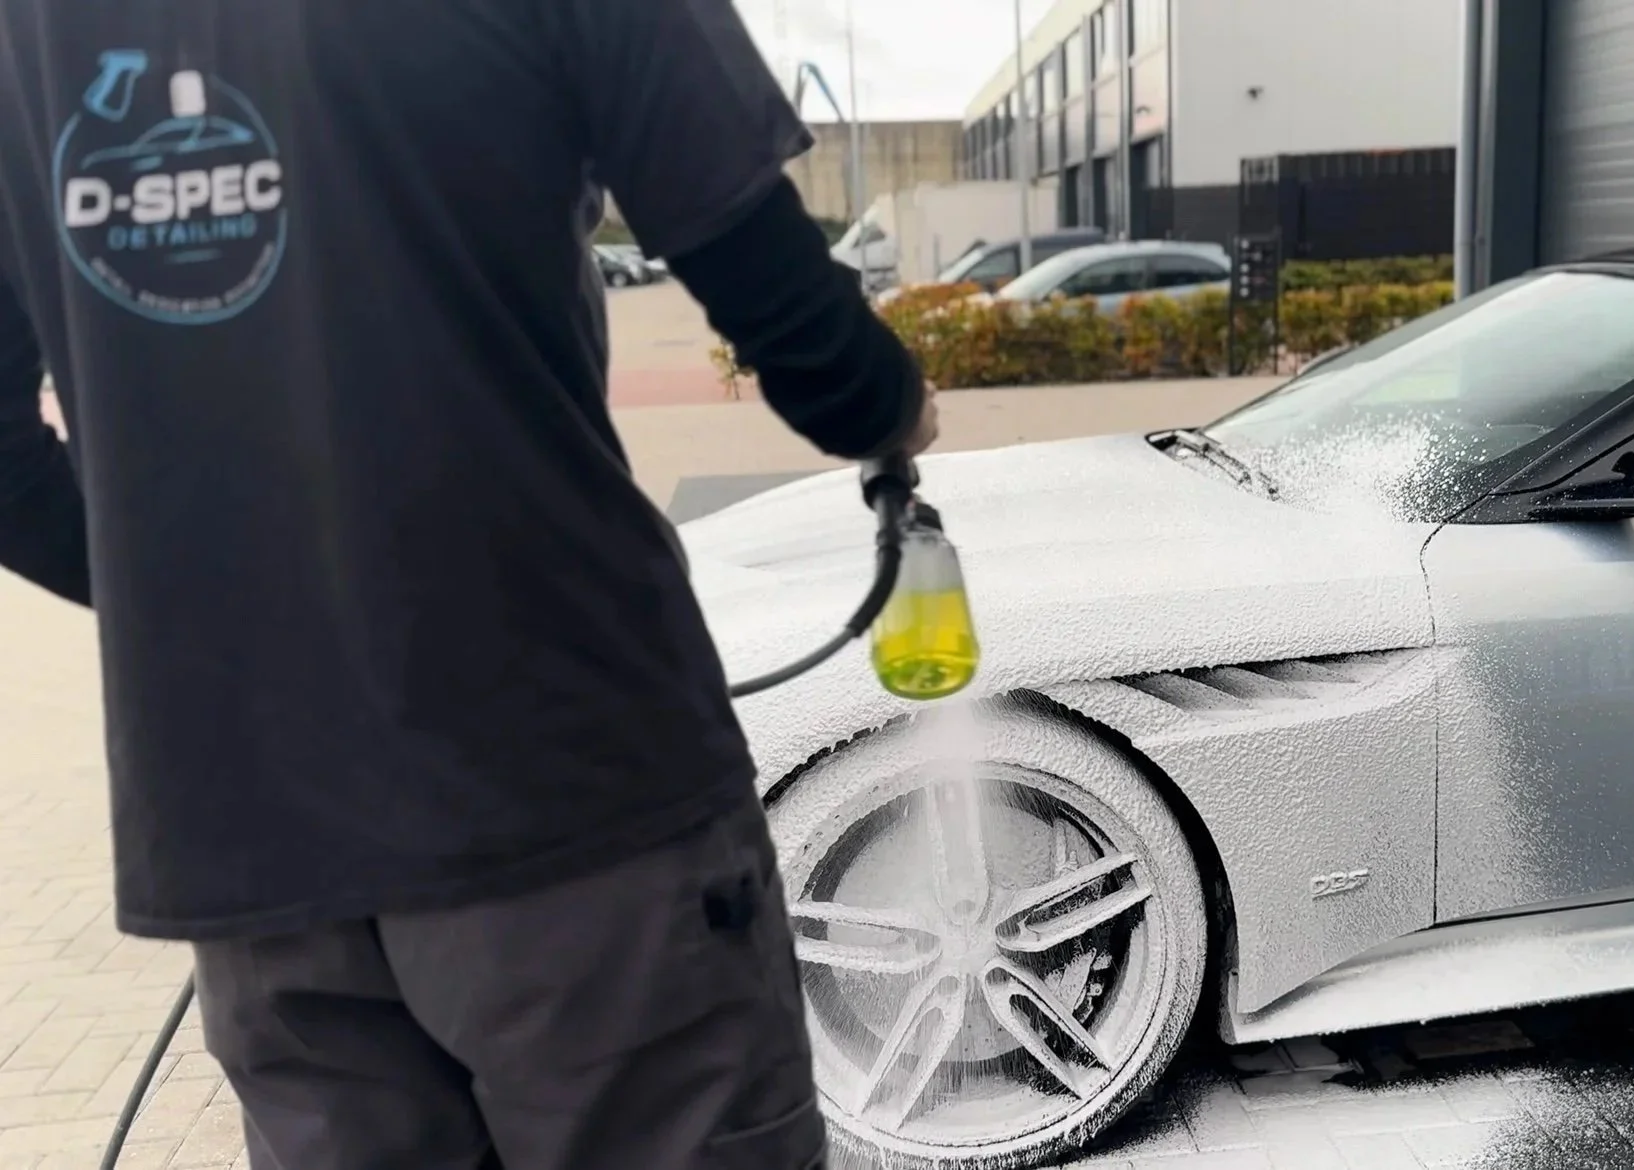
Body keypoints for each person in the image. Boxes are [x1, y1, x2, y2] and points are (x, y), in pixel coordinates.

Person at [0, 2, 935, 1167]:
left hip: (249, 832)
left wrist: (218, 594)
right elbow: (787, 310)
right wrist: (891, 408)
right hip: (566, 794)